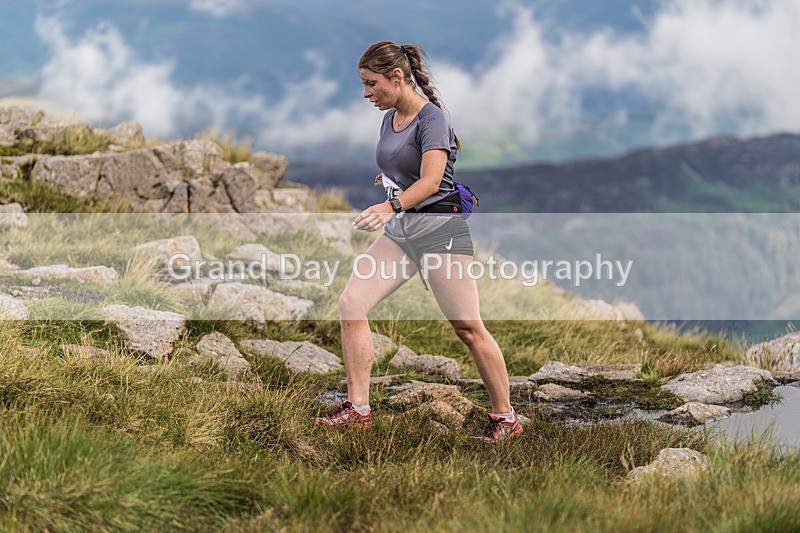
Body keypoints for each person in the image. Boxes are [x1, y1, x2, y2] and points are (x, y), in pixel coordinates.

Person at [313, 41, 522, 442]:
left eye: (371, 83)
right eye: (363, 84)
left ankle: (506, 418)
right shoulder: (389, 117)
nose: (366, 93)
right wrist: (392, 183)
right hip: (403, 233)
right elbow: (408, 171)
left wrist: (391, 205)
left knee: (467, 328)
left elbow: (431, 181)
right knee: (351, 304)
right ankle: (358, 409)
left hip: (440, 232)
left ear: (396, 77)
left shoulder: (433, 119)